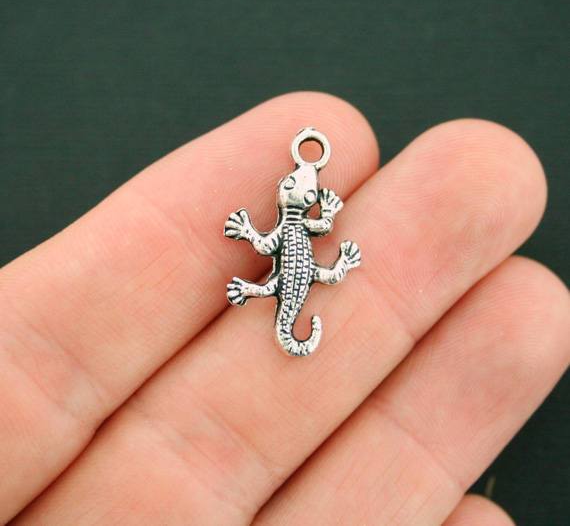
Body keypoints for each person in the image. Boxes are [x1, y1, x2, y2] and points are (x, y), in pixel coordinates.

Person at [1, 92, 567, 524]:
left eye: (305, 187)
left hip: (300, 279)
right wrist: (253, 242)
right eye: (296, 186)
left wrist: (329, 246)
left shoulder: (303, 225)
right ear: (286, 194)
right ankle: (269, 297)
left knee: (292, 287)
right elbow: (266, 243)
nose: (299, 189)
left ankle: (279, 295)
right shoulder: (290, 226)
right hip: (293, 280)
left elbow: (290, 238)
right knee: (283, 288)